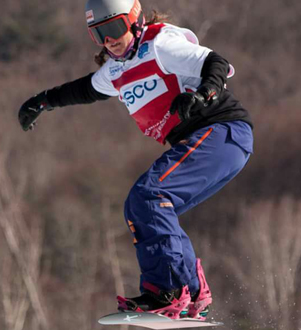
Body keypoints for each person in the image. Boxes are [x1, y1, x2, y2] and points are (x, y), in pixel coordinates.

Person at [17, 0, 254, 320]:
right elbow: (84, 90)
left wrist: (203, 94)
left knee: (150, 196)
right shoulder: (116, 70)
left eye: (114, 28)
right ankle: (193, 294)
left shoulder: (160, 45)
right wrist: (42, 101)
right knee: (147, 206)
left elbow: (216, 63)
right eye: (98, 34)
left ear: (134, 20)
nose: (109, 40)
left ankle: (167, 292)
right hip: (210, 142)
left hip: (221, 131)